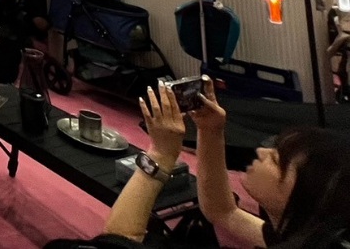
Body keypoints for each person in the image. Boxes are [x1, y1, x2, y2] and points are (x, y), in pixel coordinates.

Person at [95, 76, 350, 249]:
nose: (262, 152)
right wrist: (210, 130)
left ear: (305, 195)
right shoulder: (302, 236)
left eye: (276, 159)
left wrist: (159, 155)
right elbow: (221, 211)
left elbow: (117, 244)